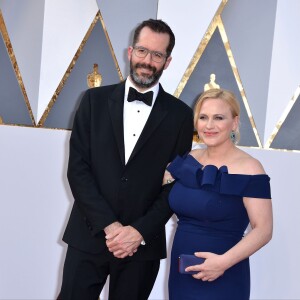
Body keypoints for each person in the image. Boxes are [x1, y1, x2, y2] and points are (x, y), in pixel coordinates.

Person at [58, 19, 194, 300]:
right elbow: (78, 170)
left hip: (142, 244)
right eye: (143, 51)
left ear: (167, 62)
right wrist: (111, 227)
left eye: (157, 55)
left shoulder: (181, 115)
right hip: (89, 234)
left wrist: (138, 232)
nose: (148, 60)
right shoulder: (93, 101)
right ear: (130, 51)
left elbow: (175, 184)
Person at [164, 88, 273, 300]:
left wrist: (222, 263)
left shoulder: (251, 168)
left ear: (234, 123)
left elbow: (264, 230)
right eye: (203, 117)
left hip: (225, 274)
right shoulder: (190, 159)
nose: (209, 125)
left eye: (219, 118)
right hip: (182, 273)